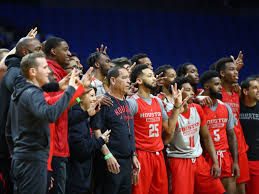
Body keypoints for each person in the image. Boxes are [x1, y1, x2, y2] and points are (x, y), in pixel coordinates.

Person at [5, 52, 78, 194]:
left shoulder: (19, 92)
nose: (49, 70)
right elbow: (50, 115)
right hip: (33, 160)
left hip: (20, 159)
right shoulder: (33, 93)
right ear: (33, 72)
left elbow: (8, 131)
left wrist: (16, 153)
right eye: (44, 67)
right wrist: (70, 90)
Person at [128, 64, 184, 194]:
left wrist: (176, 106)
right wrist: (132, 156)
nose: (153, 78)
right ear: (139, 81)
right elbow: (126, 133)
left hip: (158, 154)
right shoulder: (132, 102)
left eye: (153, 75)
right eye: (149, 76)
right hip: (141, 155)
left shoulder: (157, 101)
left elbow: (169, 129)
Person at [165, 76, 225, 194]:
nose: (192, 92)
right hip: (179, 160)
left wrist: (215, 162)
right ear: (177, 93)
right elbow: (166, 140)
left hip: (199, 159)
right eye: (188, 90)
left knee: (219, 191)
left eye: (192, 89)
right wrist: (177, 108)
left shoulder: (197, 109)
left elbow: (206, 137)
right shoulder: (170, 113)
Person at [0, 37, 42, 194]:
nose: (41, 53)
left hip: (19, 148)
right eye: (37, 50)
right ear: (25, 53)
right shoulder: (15, 74)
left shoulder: (17, 72)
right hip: (16, 150)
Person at [91, 66, 139, 194]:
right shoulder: (104, 102)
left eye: (129, 78)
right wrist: (107, 155)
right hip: (110, 161)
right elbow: (96, 131)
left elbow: (130, 132)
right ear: (112, 80)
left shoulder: (126, 103)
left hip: (126, 162)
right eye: (124, 78)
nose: (129, 81)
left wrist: (133, 155)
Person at [200, 70, 239, 194]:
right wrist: (197, 98)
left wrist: (236, 161)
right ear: (206, 86)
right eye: (216, 84)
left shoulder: (225, 107)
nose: (220, 87)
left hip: (226, 157)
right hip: (206, 158)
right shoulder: (198, 107)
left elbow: (231, 135)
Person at [66, 87, 110, 194]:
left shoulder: (83, 116)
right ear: (80, 98)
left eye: (95, 95)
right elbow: (80, 149)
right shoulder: (77, 117)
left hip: (82, 177)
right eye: (91, 96)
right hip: (75, 180)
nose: (95, 99)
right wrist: (101, 140)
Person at [215, 57, 250, 194]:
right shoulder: (216, 94)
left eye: (236, 70)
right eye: (232, 70)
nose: (236, 72)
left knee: (241, 189)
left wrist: (233, 69)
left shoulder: (237, 92)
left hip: (240, 147)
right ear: (222, 74)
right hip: (224, 149)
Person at [239, 77, 259, 194]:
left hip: (256, 159)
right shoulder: (236, 105)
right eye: (255, 88)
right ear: (245, 91)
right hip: (239, 159)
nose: (258, 90)